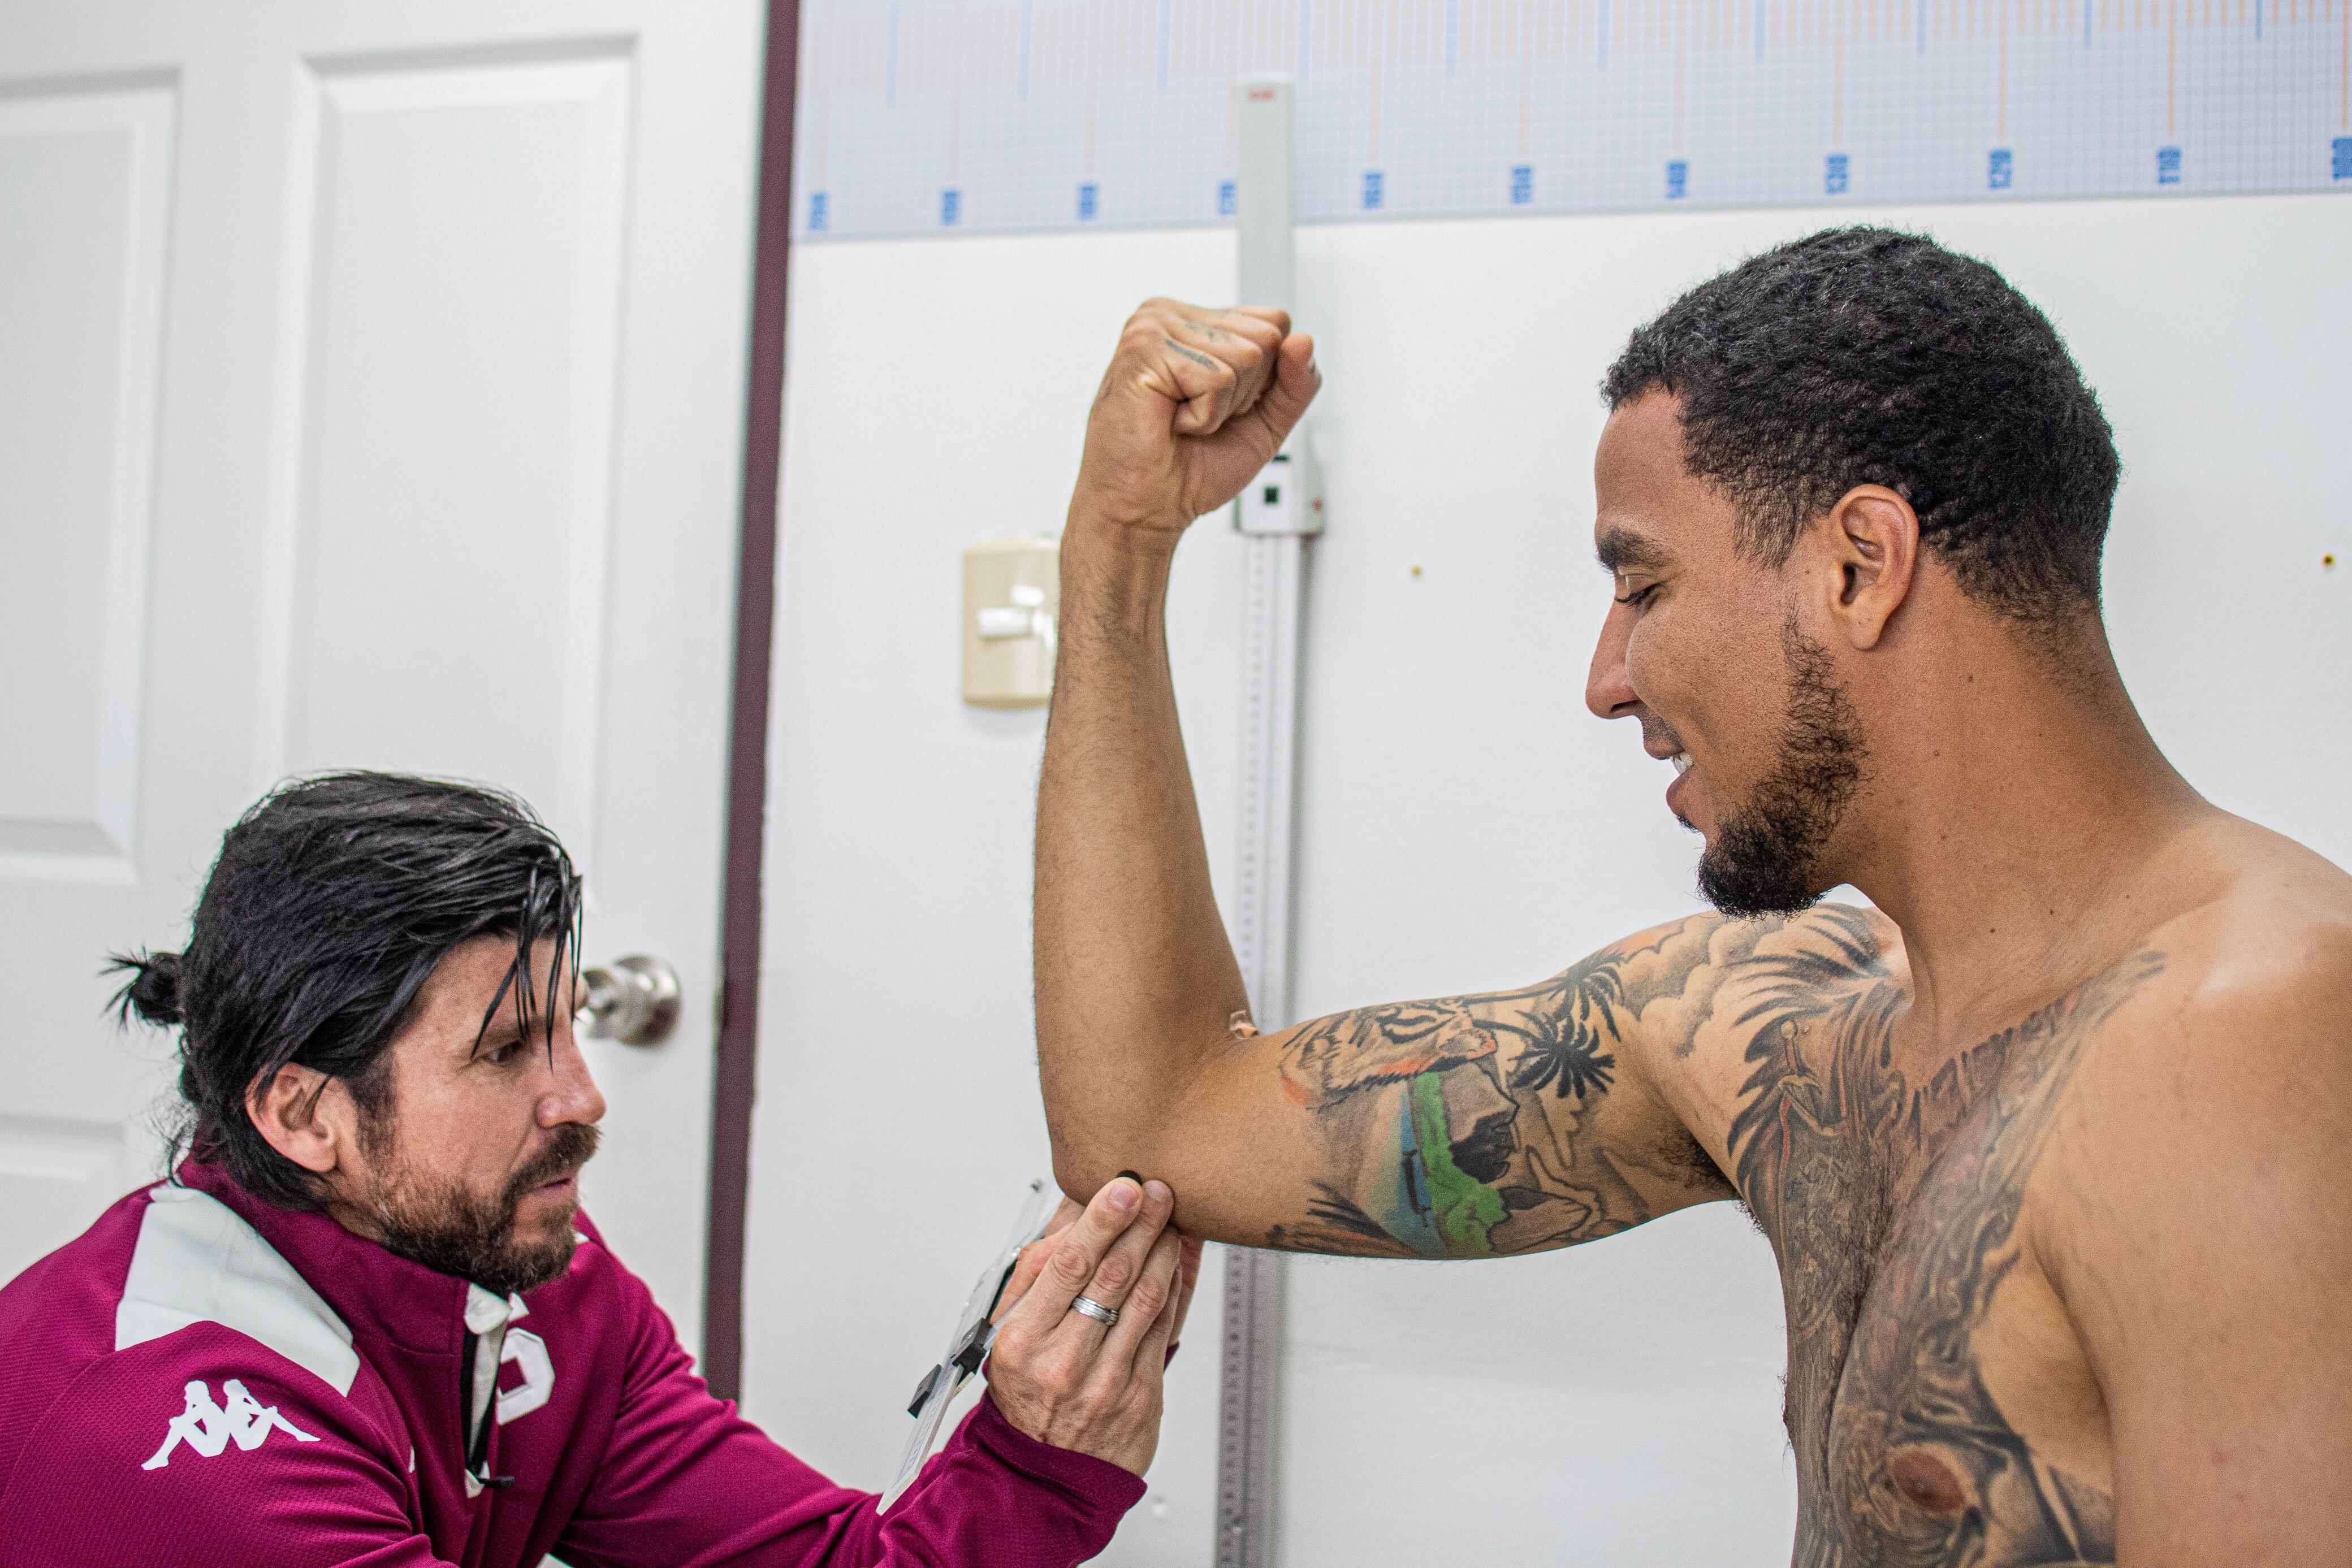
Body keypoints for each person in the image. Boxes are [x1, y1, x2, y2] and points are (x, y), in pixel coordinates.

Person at [1032, 228, 2352, 1562]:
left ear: (1858, 564)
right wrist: (1118, 545)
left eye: (1642, 583)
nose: (1606, 678)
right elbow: (1159, 1119)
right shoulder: (1782, 1029)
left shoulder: (2251, 1037)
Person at [0, 773, 1197, 1568]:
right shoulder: (174, 1437)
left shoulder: (532, 1285)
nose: (580, 1099)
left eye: (570, 1027)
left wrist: (1038, 1452)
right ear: (304, 1112)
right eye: (507, 1050)